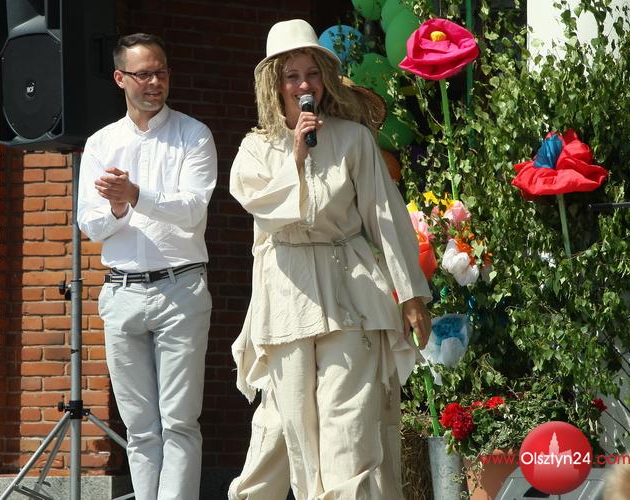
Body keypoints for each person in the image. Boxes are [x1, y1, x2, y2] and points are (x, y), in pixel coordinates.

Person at [228, 19, 431, 499]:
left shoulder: (354, 139)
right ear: (274, 84)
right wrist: (296, 156)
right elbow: (262, 207)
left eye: (312, 73)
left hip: (351, 290)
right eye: (292, 76)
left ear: (325, 79)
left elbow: (385, 216)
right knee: (293, 433)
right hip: (287, 295)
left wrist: (412, 295)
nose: (304, 85)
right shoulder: (255, 148)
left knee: (349, 432)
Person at [77, 32, 217, 500]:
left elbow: (192, 210)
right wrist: (119, 207)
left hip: (180, 289)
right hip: (121, 292)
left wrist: (135, 195)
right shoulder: (101, 143)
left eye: (161, 72)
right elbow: (90, 224)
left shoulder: (193, 135)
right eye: (143, 74)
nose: (154, 82)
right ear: (120, 78)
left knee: (179, 421)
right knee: (139, 427)